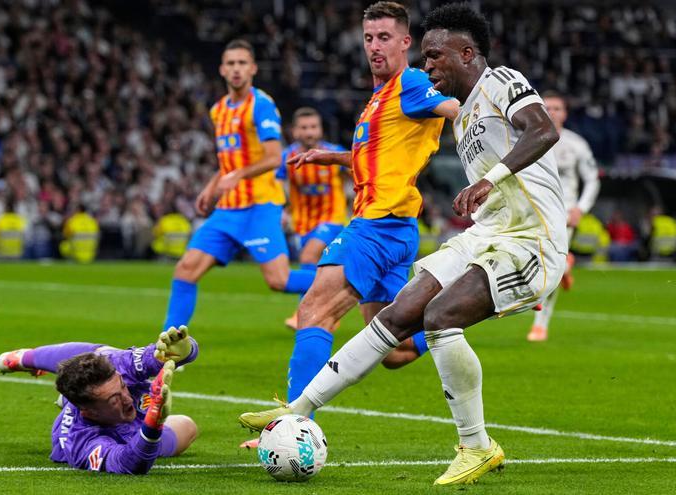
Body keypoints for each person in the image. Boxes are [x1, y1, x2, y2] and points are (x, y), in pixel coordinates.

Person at [239, 3, 566, 485]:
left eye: (434, 56)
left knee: (438, 318)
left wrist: (489, 180)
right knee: (397, 316)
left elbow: (544, 129)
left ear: (467, 52)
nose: (427, 66)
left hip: (531, 243)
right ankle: (295, 411)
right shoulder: (461, 114)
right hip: (486, 236)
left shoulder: (501, 81)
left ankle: (477, 446)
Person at [276, 1, 458, 413]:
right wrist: (334, 158)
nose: (375, 46)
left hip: (378, 225)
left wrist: (490, 131)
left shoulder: (410, 84)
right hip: (396, 229)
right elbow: (384, 156)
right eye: (369, 38)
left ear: (405, 42)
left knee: (314, 310)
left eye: (385, 38)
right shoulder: (381, 98)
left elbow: (454, 108)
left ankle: (290, 424)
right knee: (395, 352)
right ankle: (451, 312)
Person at [163, 40, 316, 330]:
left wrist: (237, 176)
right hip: (228, 210)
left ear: (253, 69)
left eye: (242, 63)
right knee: (185, 270)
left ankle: (352, 280)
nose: (236, 69)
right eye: (231, 63)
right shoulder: (218, 110)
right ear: (222, 69)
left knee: (279, 281)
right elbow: (227, 160)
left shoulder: (261, 105)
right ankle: (168, 351)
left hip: (260, 206)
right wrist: (212, 186)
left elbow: (273, 158)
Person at [0, 327, 199, 474]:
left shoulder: (118, 367)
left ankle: (23, 358)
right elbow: (128, 464)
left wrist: (186, 351)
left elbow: (155, 356)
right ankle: (67, 399)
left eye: (121, 386)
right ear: (89, 412)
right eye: (114, 399)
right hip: (114, 433)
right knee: (187, 427)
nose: (126, 398)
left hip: (105, 384)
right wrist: (153, 425)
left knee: (101, 355)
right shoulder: (83, 441)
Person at [527, 91, 599, 342]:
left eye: (557, 108)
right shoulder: (529, 140)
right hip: (534, 210)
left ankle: (540, 325)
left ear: (565, 113)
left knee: (549, 266)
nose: (552, 112)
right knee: (535, 263)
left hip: (565, 212)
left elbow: (592, 179)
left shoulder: (576, 144)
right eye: (547, 107)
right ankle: (565, 264)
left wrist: (581, 208)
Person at [277, 107, 348, 330]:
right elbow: (277, 185)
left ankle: (303, 316)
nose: (309, 132)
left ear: (320, 129)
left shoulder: (335, 153)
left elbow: (357, 172)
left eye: (313, 127)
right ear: (295, 131)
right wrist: (281, 210)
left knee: (309, 256)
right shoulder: (286, 157)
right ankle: (329, 315)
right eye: (304, 128)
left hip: (332, 218)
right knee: (316, 267)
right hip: (302, 222)